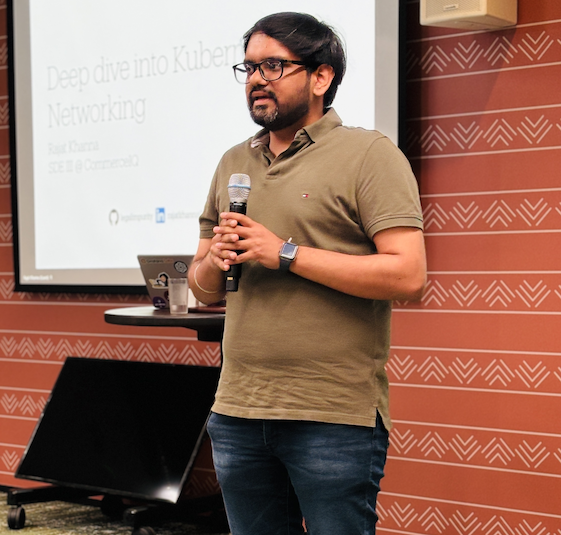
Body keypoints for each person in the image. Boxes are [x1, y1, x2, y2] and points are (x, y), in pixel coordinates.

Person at [187, 11, 426, 535]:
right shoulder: (233, 163)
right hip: (238, 409)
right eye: (248, 68)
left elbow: (409, 276)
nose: (256, 80)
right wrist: (214, 258)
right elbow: (202, 289)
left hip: (331, 414)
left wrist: (286, 255)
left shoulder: (369, 155)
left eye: (273, 66)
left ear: (321, 77)